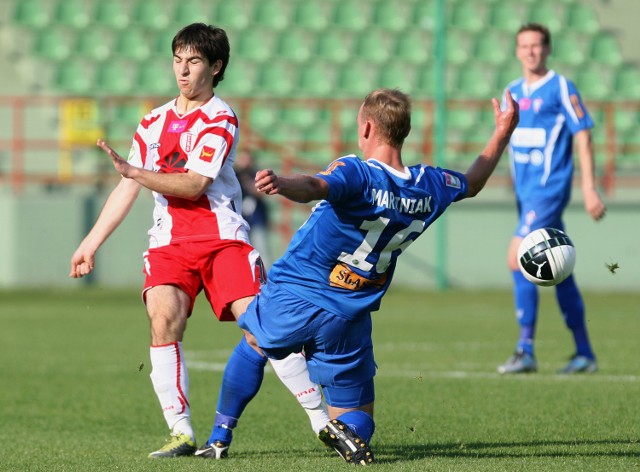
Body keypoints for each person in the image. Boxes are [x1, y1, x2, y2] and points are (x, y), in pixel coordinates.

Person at [69, 23, 327, 459]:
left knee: (262, 330)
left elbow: (193, 185)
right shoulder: (151, 122)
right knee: (163, 320)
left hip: (222, 239)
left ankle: (322, 420)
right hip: (169, 243)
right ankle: (181, 432)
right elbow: (127, 188)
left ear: (216, 66)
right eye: (177, 60)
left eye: (193, 62)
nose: (182, 71)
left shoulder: (220, 117)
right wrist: (91, 242)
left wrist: (134, 172)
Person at [227, 88, 519, 464]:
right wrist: (502, 133)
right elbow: (472, 183)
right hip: (352, 310)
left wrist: (282, 184)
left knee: (253, 339)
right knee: (358, 420)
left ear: (366, 127)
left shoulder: (359, 172)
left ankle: (220, 434)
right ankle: (342, 432)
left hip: (302, 292)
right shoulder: (429, 185)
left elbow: (317, 186)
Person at [496, 23, 607, 376]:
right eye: (524, 46)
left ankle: (525, 348)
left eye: (537, 45)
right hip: (524, 194)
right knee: (560, 269)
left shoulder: (560, 87)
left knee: (517, 259)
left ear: (547, 50)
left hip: (549, 190)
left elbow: (583, 135)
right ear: (517, 51)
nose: (530, 51)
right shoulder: (510, 91)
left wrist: (588, 187)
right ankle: (585, 353)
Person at [234, 150, 273, 268]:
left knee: (262, 250)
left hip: (257, 220)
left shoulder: (256, 175)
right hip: (240, 221)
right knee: (242, 253)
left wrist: (248, 182)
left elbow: (261, 193)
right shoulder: (235, 176)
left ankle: (266, 279)